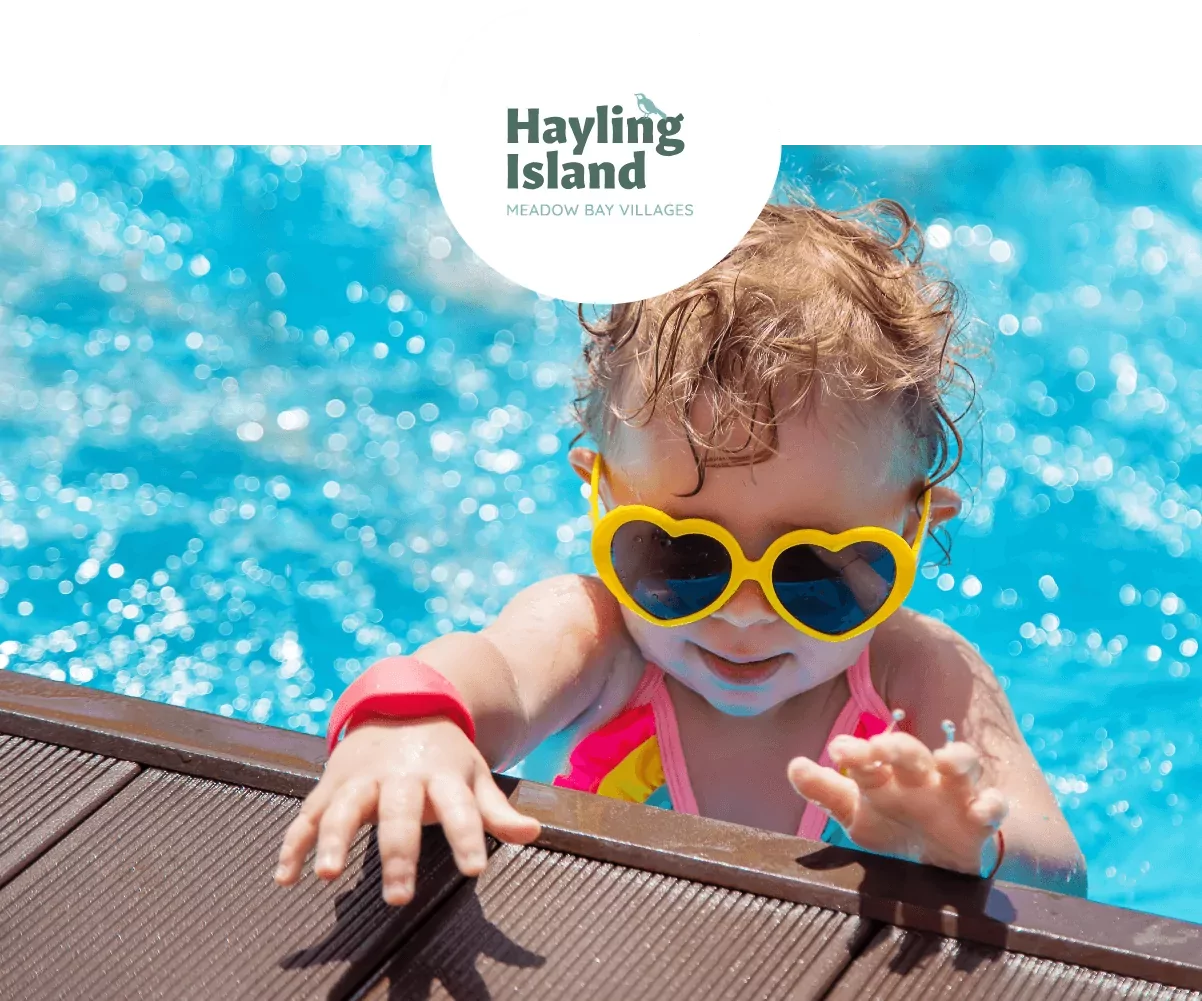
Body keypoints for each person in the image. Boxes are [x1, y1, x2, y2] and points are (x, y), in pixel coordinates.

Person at [274, 199, 1087, 906]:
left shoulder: (918, 674)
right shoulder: (604, 640)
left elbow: (1065, 875)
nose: (742, 612)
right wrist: (412, 721)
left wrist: (968, 846)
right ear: (600, 494)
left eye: (814, 573)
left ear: (915, 530)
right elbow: (494, 674)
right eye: (679, 556)